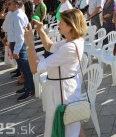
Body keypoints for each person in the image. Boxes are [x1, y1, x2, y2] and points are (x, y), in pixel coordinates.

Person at [24, 9, 87, 137]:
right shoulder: (71, 41)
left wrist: (29, 43)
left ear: (70, 26)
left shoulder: (69, 46)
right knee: (72, 123)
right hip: (64, 88)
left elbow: (35, 68)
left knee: (66, 127)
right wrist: (41, 30)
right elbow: (49, 46)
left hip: (62, 92)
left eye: (61, 22)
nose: (58, 24)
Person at [5, 0, 34, 101]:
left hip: (19, 45)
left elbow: (20, 35)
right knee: (22, 68)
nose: (8, 5)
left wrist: (16, 50)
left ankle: (30, 90)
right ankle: (27, 86)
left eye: (10, 4)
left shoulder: (18, 16)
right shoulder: (15, 14)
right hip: (15, 43)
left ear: (16, 5)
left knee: (26, 69)